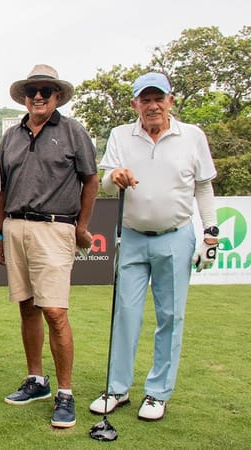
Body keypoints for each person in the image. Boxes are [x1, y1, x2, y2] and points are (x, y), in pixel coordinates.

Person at [88, 72, 218, 421]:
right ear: (135, 104)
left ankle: (158, 393)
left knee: (170, 316)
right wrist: (113, 176)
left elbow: (203, 188)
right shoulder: (120, 135)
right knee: (125, 314)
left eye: (158, 98)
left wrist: (211, 233)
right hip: (131, 237)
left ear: (170, 100)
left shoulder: (192, 136)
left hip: (175, 236)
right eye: (145, 99)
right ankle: (117, 388)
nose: (152, 105)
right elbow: (105, 176)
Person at [0, 64, 98, 428]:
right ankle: (36, 380)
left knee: (55, 312)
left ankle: (65, 393)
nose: (37, 96)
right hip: (15, 226)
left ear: (57, 96)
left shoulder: (73, 131)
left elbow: (91, 180)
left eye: (45, 90)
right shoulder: (11, 136)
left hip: (55, 228)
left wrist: (81, 227)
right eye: (32, 90)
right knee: (27, 308)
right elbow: (2, 189)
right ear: (25, 96)